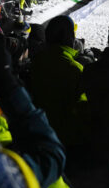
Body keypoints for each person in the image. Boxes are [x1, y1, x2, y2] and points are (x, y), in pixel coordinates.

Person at [28, 15, 89, 148]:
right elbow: (84, 107)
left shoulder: (36, 62)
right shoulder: (75, 69)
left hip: (37, 132)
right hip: (64, 139)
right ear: (70, 39)